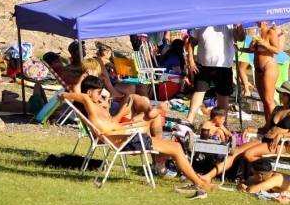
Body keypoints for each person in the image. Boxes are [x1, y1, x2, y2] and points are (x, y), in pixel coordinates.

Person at [59, 76, 215, 190]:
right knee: (176, 148)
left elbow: (89, 100)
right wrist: (64, 95)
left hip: (125, 136)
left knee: (160, 128)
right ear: (89, 92)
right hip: (126, 140)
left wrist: (103, 100)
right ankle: (198, 182)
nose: (100, 96)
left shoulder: (98, 110)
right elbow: (83, 97)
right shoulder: (91, 109)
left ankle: (191, 176)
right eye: (98, 92)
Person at [199, 81, 290, 183]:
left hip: (282, 144)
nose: (280, 96)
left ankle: (271, 174)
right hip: (266, 140)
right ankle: (208, 176)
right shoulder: (277, 109)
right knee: (235, 152)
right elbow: (265, 129)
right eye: (280, 93)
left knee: (248, 154)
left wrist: (282, 135)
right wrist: (250, 129)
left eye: (283, 94)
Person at [184, 24, 245, 125]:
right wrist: (190, 59)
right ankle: (189, 119)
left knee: (222, 95)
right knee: (199, 91)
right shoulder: (202, 22)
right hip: (203, 64)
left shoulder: (231, 23)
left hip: (224, 65)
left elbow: (241, 38)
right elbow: (191, 42)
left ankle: (222, 123)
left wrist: (239, 24)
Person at [235, 21, 279, 121]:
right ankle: (268, 124)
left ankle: (273, 125)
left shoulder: (270, 32)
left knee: (268, 100)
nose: (261, 22)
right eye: (259, 20)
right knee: (263, 100)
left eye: (263, 21)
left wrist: (265, 44)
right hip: (258, 68)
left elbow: (277, 50)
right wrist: (240, 49)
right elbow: (252, 50)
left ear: (267, 21)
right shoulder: (257, 34)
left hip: (269, 66)